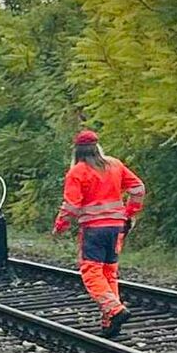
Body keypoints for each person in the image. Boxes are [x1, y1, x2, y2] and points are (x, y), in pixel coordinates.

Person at [53, 130, 145, 338]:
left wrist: (60, 226)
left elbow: (71, 207)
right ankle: (110, 320)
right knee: (109, 272)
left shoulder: (77, 172)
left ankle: (115, 310)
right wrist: (129, 214)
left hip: (94, 230)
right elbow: (138, 189)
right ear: (98, 147)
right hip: (116, 228)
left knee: (92, 272)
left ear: (77, 151)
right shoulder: (115, 165)